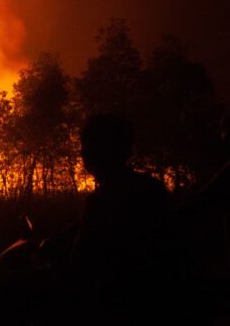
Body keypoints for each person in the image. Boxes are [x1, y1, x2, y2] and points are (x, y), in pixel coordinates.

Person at [70, 113, 172, 321]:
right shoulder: (152, 188)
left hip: (116, 305)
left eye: (88, 145)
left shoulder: (103, 198)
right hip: (156, 301)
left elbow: (80, 263)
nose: (83, 152)